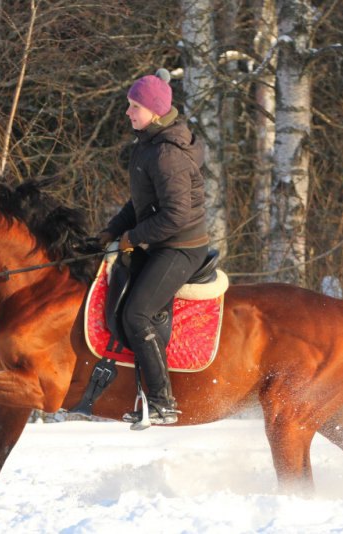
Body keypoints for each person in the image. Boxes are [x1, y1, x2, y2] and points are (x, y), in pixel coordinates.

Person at [97, 68, 209, 426]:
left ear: (155, 112)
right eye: (129, 105)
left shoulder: (166, 154)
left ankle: (162, 402)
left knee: (137, 314)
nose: (128, 113)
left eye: (134, 107)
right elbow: (140, 204)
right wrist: (110, 231)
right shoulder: (147, 144)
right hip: (162, 239)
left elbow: (175, 215)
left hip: (180, 246)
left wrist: (133, 238)